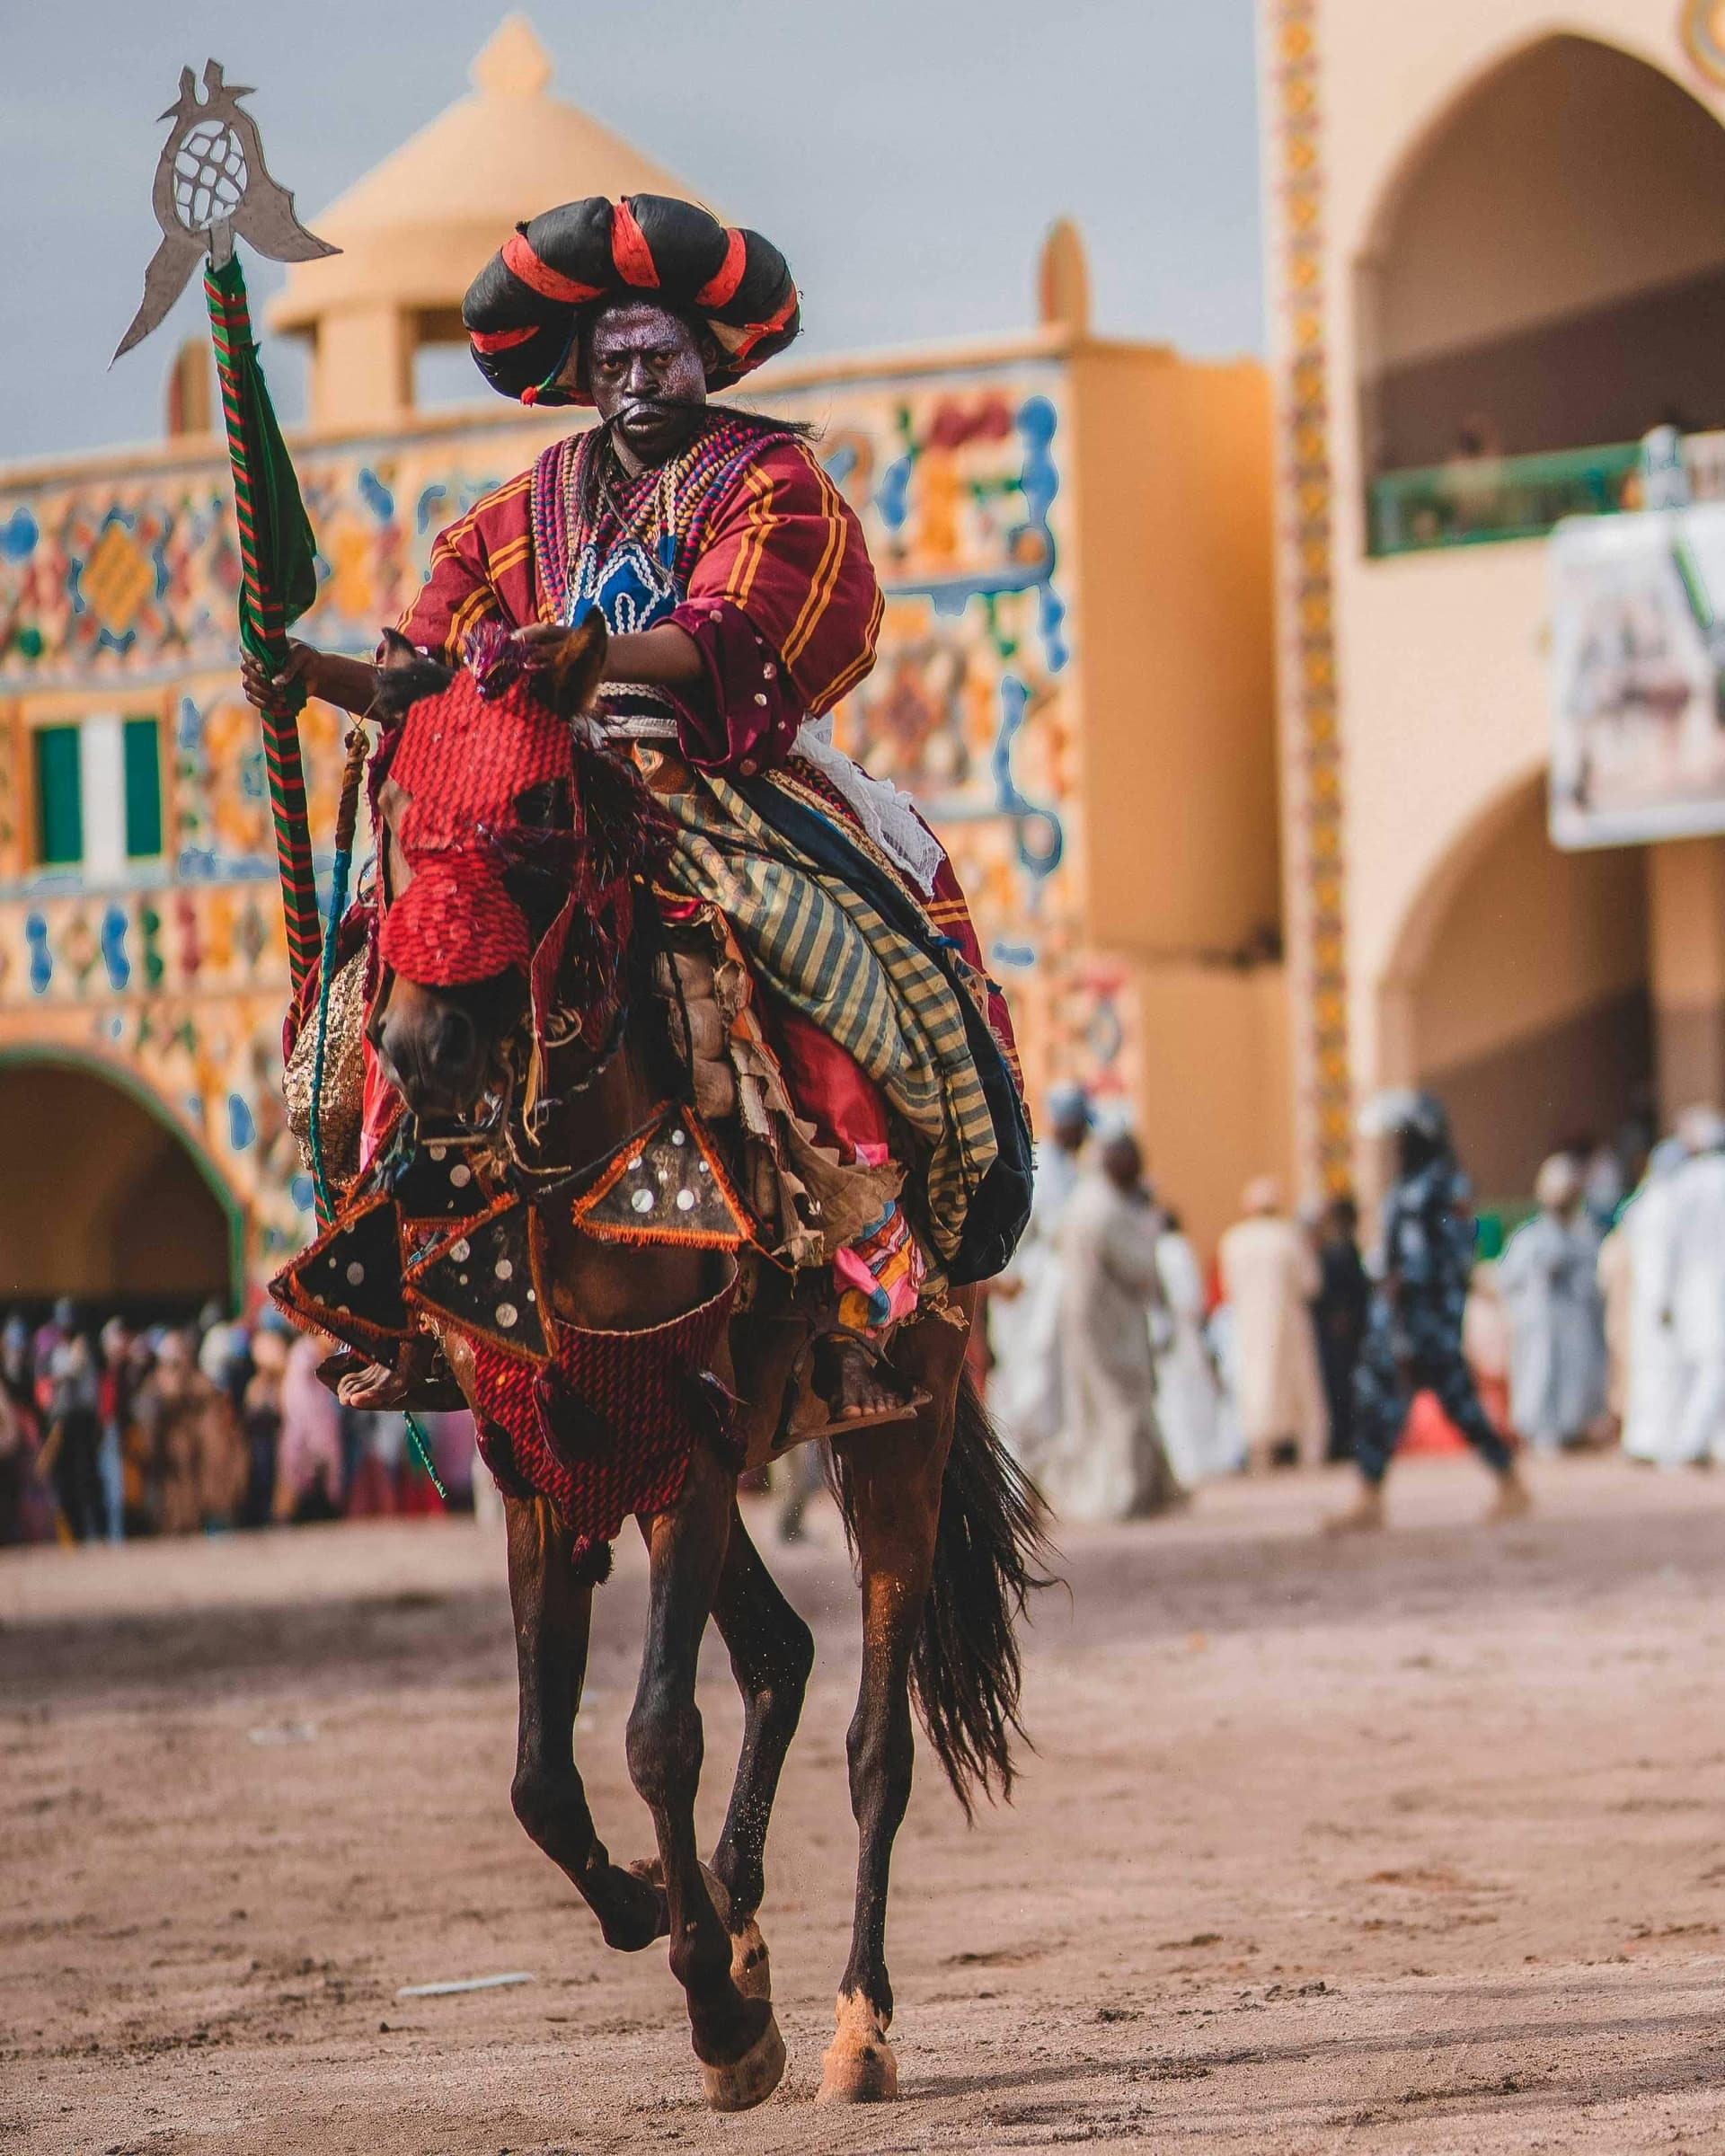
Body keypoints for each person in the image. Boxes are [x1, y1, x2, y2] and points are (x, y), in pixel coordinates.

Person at [244, 193, 1028, 1431]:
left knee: (833, 968)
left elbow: (765, 619)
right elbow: (425, 662)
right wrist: (317, 678)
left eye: (660, 356)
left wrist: (603, 654)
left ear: (710, 358)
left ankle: (873, 1270)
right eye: (613, 362)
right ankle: (401, 1279)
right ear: (579, 373)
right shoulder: (519, 510)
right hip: (533, 799)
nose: (638, 381)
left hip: (712, 784)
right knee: (362, 1016)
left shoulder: (770, 475)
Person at [1328, 1091, 1529, 1532]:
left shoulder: (1438, 1187)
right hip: (1405, 1317)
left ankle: (1510, 1483)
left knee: (1453, 1403)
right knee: (1382, 1402)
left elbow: (1433, 1260)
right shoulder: (1413, 1185)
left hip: (1424, 1320)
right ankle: (1370, 1496)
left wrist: (1406, 1302)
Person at [1040, 1126, 1181, 1521]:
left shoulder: (1083, 1202)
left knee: (1095, 1410)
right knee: (1123, 1407)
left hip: (1086, 1321)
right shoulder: (1107, 1209)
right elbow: (1140, 1268)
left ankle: (1134, 1491)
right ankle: (1125, 1496)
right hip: (1111, 1325)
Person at [988, 1082, 1092, 1475]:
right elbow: (1032, 1227)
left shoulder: (1069, 1169)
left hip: (1050, 1288)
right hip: (1028, 1291)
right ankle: (1019, 1476)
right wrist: (1006, 1277)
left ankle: (1045, 1476)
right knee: (1027, 1384)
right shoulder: (1045, 1167)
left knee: (1052, 1386)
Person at [1498, 1153, 1607, 1454]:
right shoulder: (1529, 1237)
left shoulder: (1585, 1235)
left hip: (1575, 1322)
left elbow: (1596, 1280)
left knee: (1578, 1376)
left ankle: (1572, 1429)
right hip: (1539, 1324)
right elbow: (1507, 1280)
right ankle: (1539, 1432)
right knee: (1538, 1373)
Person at [1216, 1179, 1327, 1472]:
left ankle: (1260, 1453)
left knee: (1256, 1382)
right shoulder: (1288, 1237)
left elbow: (1228, 1288)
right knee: (1299, 1383)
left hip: (1249, 1324)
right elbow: (1311, 1283)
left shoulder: (1234, 1241)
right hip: (1288, 1322)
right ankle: (1310, 1452)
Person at [1612, 1136, 1693, 1465]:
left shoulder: (1642, 1202)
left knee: (1649, 1372)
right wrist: (1664, 1301)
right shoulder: (1663, 1204)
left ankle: (1644, 1439)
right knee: (1665, 1373)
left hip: (1646, 1302)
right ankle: (1660, 1443)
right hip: (1661, 1303)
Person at [1152, 1207, 1237, 1486]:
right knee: (1190, 1397)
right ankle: (1196, 1461)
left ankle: (1189, 1464)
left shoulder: (1164, 1248)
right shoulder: (1176, 1249)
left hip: (1173, 1333)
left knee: (1180, 1398)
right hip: (1182, 1333)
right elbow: (1191, 1297)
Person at [1664, 1107, 1725, 1464]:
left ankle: (1698, 1441)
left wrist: (1666, 1293)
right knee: (1713, 1365)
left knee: (1697, 1365)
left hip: (1690, 1286)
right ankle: (1692, 1442)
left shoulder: (1683, 1182)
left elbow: (1670, 1245)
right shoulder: (1704, 1180)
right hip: (1708, 1287)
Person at [1311, 1194, 1371, 1462]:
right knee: (1339, 1387)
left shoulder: (1345, 1247)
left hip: (1347, 1332)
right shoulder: (1337, 1250)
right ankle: (1341, 1442)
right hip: (1339, 1333)